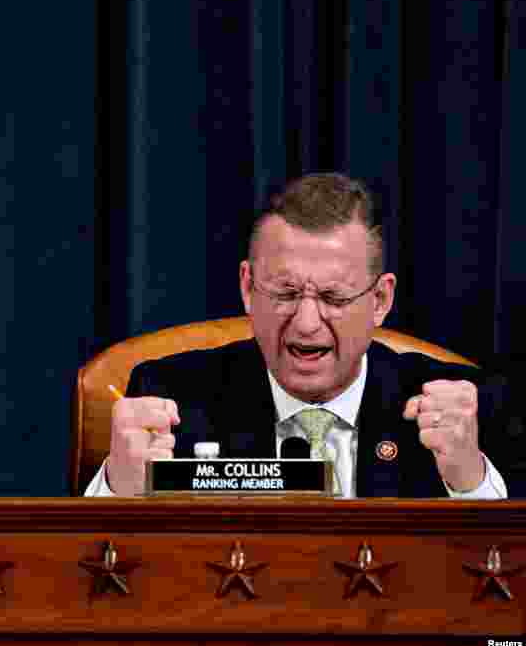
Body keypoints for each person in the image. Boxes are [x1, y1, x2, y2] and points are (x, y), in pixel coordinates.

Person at [87, 173, 523, 498]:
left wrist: (470, 482)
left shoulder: (460, 415)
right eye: (286, 293)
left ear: (380, 300)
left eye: (333, 297)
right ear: (247, 288)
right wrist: (119, 488)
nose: (307, 323)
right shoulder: (171, 400)